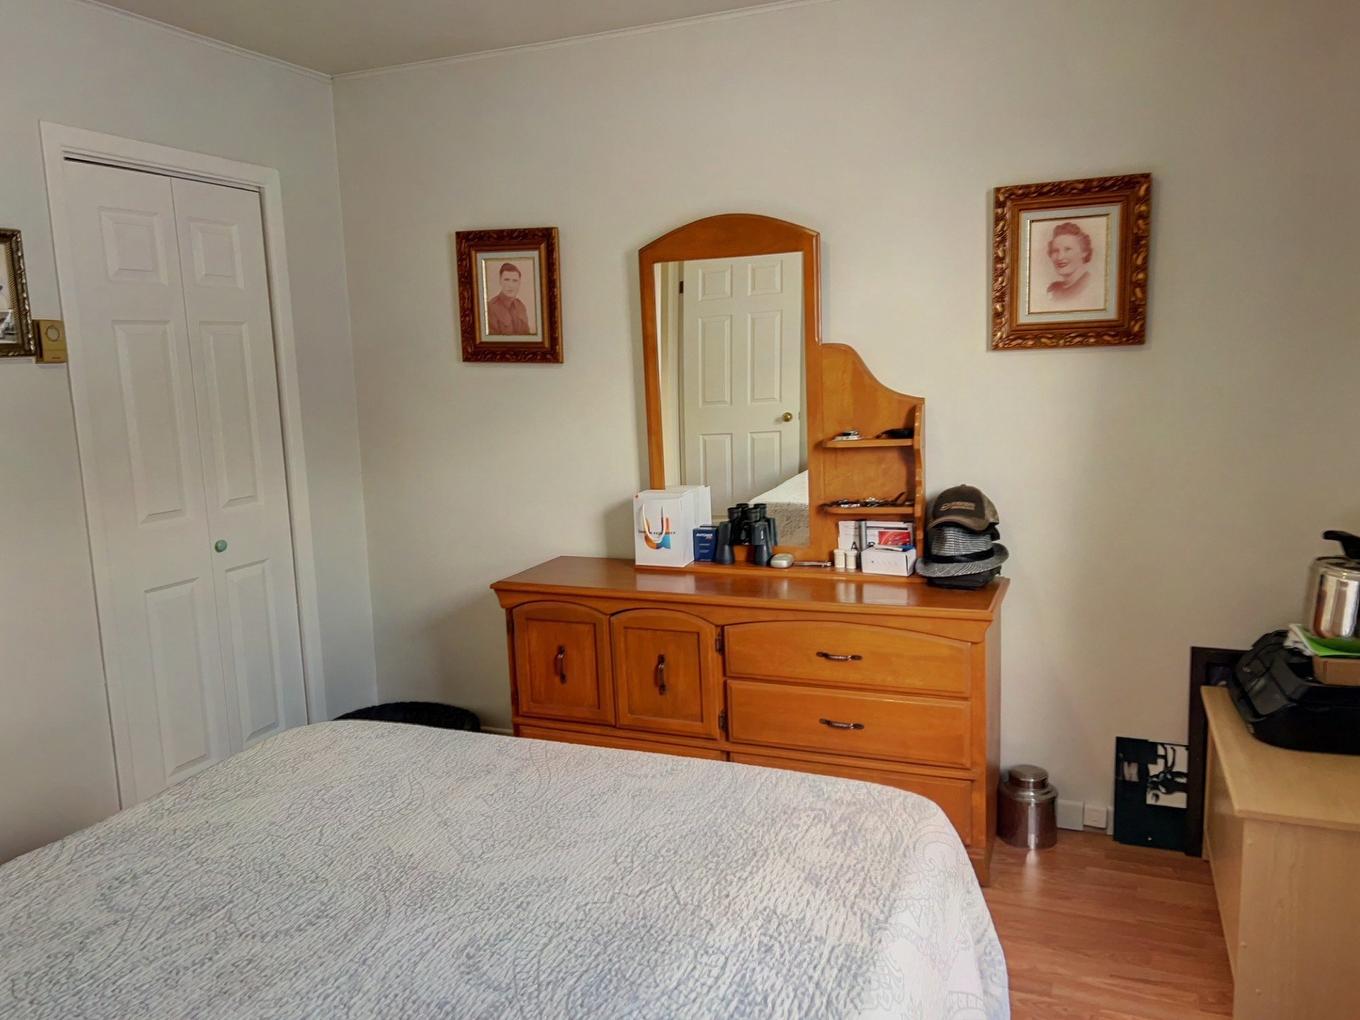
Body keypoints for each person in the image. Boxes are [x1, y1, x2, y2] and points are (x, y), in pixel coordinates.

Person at [1044, 221, 1095, 303]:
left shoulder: (1092, 286)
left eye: (1068, 249)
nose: (1060, 257)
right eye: (1055, 251)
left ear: (1084, 252)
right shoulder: (1052, 290)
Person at [485, 262, 531, 335]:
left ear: (519, 284)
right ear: (500, 281)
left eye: (515, 281)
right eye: (506, 280)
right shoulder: (490, 308)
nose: (510, 285)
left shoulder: (521, 306)